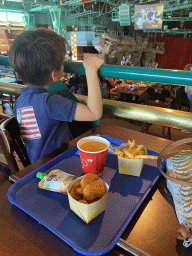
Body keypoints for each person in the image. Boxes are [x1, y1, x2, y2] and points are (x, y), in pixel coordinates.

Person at [8, 28, 104, 163]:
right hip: (55, 166)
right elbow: (94, 113)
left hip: (35, 164)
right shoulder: (49, 102)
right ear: (54, 75)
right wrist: (90, 69)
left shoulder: (20, 101)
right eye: (62, 63)